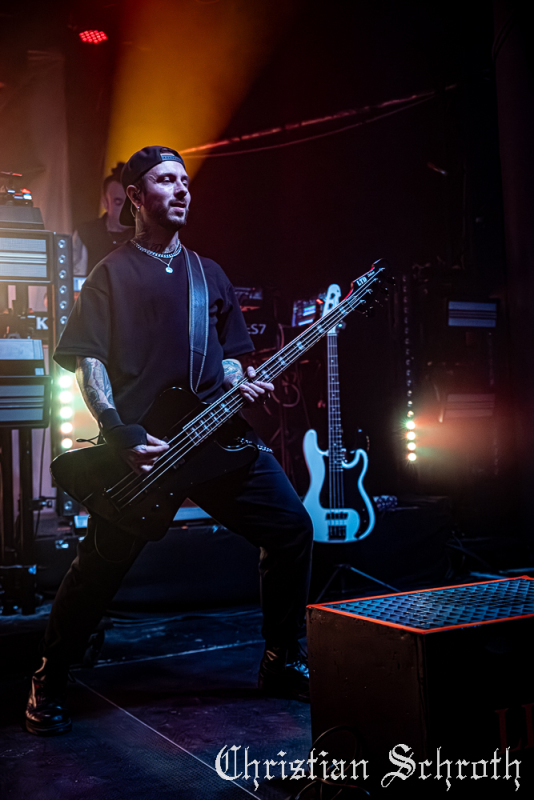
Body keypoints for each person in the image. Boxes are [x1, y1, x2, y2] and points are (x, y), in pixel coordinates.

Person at [25, 146, 313, 736]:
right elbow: (88, 362)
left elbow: (230, 357)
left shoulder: (210, 274)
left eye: (185, 180)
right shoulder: (110, 275)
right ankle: (49, 678)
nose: (182, 189)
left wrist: (238, 381)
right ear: (135, 196)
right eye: (165, 180)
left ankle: (282, 658)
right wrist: (119, 432)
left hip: (214, 439)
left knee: (291, 529)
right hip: (146, 453)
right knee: (98, 570)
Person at [73, 163, 134, 277]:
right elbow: (75, 279)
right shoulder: (87, 234)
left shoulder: (147, 237)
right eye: (118, 203)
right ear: (105, 203)